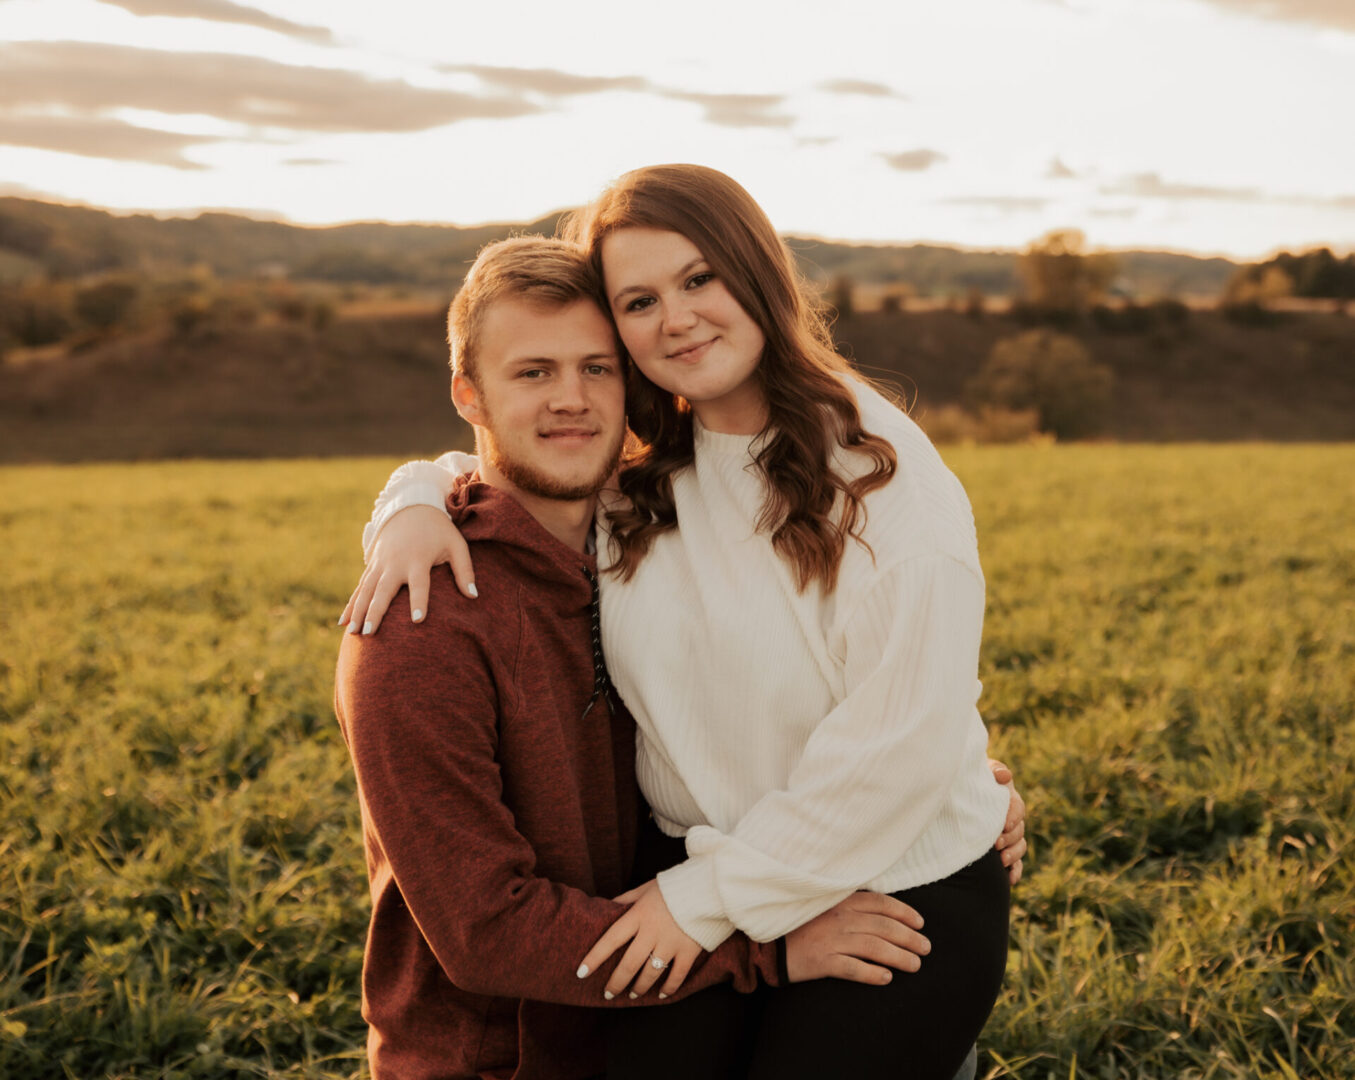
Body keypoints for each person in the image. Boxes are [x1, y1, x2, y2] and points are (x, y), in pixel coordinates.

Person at [342, 165, 1029, 1079]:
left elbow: (898, 743)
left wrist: (947, 779)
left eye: (699, 278)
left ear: (758, 273)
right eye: (639, 299)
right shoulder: (651, 467)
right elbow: (518, 451)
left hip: (885, 883)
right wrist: (414, 495)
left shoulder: (882, 478)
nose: (676, 318)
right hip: (697, 896)